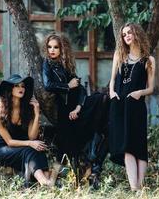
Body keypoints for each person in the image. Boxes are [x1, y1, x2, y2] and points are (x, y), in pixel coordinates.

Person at [41, 33, 109, 186]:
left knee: (100, 98)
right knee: (64, 146)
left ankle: (95, 146)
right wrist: (67, 86)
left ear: (62, 49)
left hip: (76, 109)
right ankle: (53, 181)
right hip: (64, 111)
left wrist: (78, 108)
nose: (52, 50)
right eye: (49, 47)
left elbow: (81, 91)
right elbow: (47, 85)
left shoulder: (67, 65)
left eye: (56, 47)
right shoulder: (47, 63)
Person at [108, 22, 155, 191]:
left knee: (139, 146)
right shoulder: (119, 55)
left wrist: (139, 93)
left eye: (129, 33)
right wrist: (112, 92)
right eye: (124, 34)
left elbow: (151, 88)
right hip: (120, 107)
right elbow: (112, 80)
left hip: (137, 107)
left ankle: (141, 187)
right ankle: (134, 187)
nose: (126, 36)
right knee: (126, 145)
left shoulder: (148, 60)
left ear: (137, 34)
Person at [0, 74, 60, 187]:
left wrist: (37, 113)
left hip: (23, 147)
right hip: (3, 149)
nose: (21, 88)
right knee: (30, 149)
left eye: (22, 86)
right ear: (10, 89)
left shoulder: (28, 110)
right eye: (17, 86)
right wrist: (30, 143)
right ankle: (45, 181)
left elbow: (32, 137)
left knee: (39, 147)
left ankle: (48, 181)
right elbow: (9, 142)